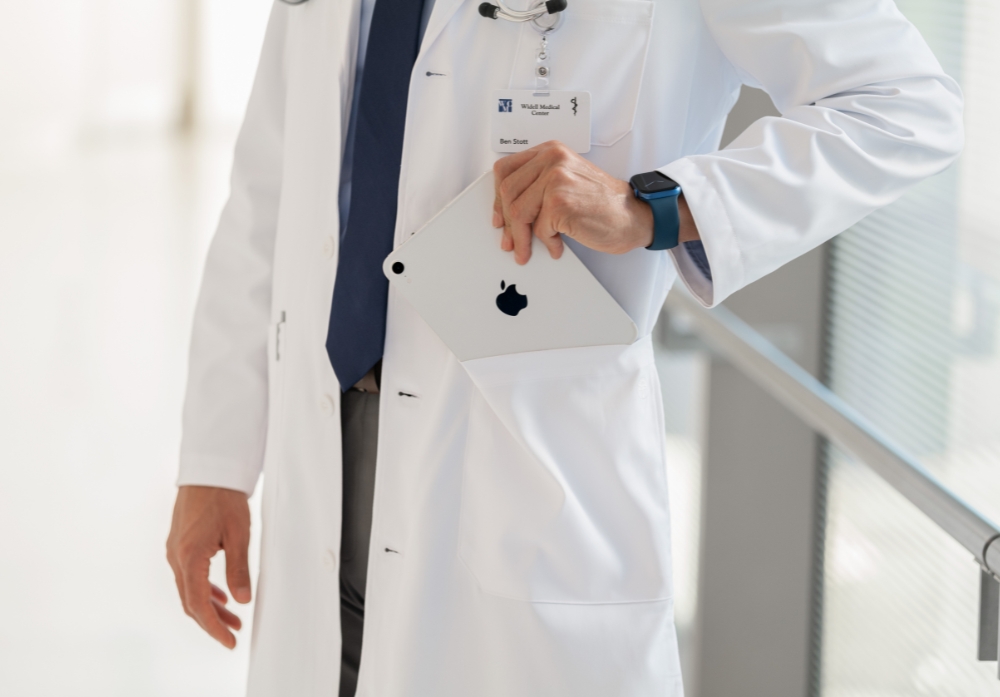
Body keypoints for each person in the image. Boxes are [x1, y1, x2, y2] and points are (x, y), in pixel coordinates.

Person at [165, 0, 963, 694]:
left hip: (522, 468)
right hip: (321, 456)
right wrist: (215, 458)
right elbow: (269, 187)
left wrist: (659, 206)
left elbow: (902, 106)